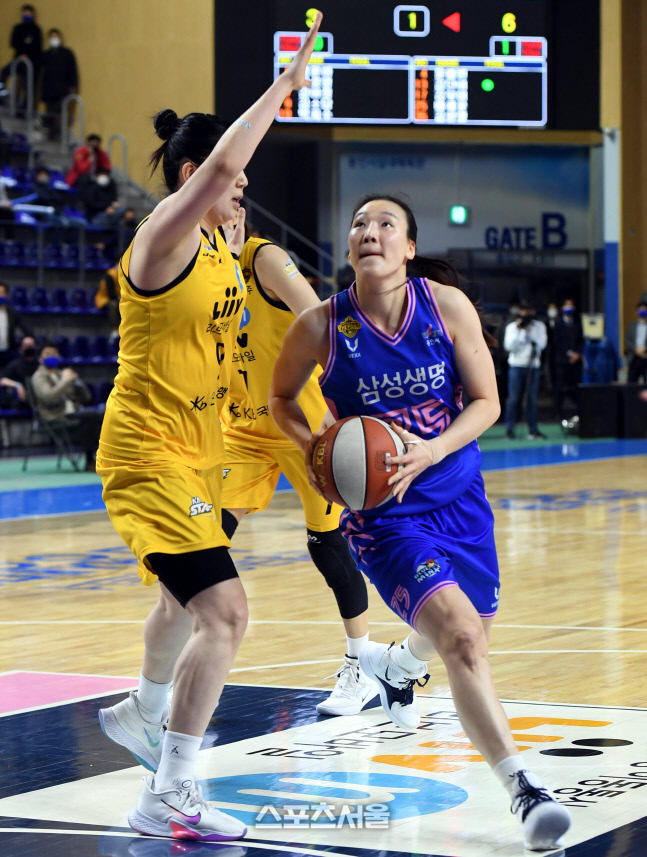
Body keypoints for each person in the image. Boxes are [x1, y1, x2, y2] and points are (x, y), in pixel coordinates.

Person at [269, 194, 571, 852]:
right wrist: (314, 445)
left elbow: (487, 402)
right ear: (349, 245)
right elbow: (280, 398)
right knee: (463, 639)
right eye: (358, 223)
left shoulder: (446, 306)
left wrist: (434, 449)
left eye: (386, 224)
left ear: (408, 248)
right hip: (384, 517)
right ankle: (524, 789)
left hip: (459, 496)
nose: (368, 231)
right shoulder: (321, 326)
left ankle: (398, 666)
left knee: (470, 631)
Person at [94, 13, 322, 842]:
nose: (241, 191)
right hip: (148, 451)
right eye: (231, 182)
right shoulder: (161, 237)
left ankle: (142, 708)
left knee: (182, 600)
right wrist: (283, 86)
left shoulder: (224, 245)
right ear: (196, 176)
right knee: (224, 612)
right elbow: (225, 163)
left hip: (202, 452)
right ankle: (168, 791)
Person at [221, 229, 377, 717]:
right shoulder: (197, 266)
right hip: (242, 428)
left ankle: (361, 667)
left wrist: (340, 405)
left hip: (305, 427)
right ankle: (177, 677)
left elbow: (322, 323)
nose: (238, 207)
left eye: (240, 196)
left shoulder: (262, 258)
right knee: (202, 545)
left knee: (326, 546)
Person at [31, 343, 103, 470]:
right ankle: (90, 460)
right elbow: (49, 398)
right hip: (56, 416)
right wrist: (65, 381)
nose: (51, 356)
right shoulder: (38, 377)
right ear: (40, 359)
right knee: (92, 417)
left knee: (99, 417)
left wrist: (77, 382)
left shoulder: (63, 373)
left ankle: (98, 458)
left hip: (75, 413)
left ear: (59, 357)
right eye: (47, 354)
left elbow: (87, 398)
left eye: (54, 354)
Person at [503, 301, 547, 439]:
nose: (526, 313)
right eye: (523, 310)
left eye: (529, 310)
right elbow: (509, 347)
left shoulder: (539, 326)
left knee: (531, 399)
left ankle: (533, 429)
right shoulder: (512, 327)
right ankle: (509, 429)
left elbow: (542, 345)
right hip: (516, 366)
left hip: (533, 366)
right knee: (514, 399)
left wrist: (530, 332)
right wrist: (520, 331)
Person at [38, 27, 78, 140]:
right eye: (52, 37)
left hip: (62, 87)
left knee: (58, 109)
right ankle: (51, 133)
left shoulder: (67, 53)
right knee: (50, 111)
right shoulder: (46, 55)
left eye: (56, 36)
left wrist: (73, 85)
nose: (54, 39)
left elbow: (72, 69)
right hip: (49, 89)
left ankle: (52, 127)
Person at [0, 5, 42, 104]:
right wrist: (25, 45)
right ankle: (1, 95)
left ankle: (26, 105)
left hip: (30, 61)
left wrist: (27, 51)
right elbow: (13, 42)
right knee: (4, 71)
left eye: (29, 13)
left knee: (28, 83)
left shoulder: (36, 29)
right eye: (25, 13)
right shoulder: (18, 28)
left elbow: (37, 46)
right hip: (18, 59)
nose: (27, 15)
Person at [552, 298, 584, 420]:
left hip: (576, 361)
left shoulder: (577, 324)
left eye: (571, 306)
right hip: (562, 361)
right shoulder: (558, 324)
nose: (569, 309)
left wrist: (577, 354)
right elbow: (557, 342)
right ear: (562, 308)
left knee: (576, 387)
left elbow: (581, 341)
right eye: (567, 306)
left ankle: (578, 412)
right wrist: (569, 353)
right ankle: (557, 412)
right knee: (559, 387)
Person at [0, 282, 33, 368]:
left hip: (8, 351)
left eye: (1, 293)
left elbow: (26, 328)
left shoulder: (13, 313)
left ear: (6, 295)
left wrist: (27, 338)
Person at [1, 333, 38, 406]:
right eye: (26, 346)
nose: (29, 348)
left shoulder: (40, 364)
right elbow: (2, 380)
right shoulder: (15, 364)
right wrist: (18, 385)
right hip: (21, 399)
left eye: (31, 345)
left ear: (36, 347)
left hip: (38, 398)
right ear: (21, 349)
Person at [94, 265, 121, 337]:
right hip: (104, 299)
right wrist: (119, 297)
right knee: (113, 305)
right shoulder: (110, 275)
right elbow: (110, 293)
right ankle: (114, 329)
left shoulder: (124, 275)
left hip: (117, 298)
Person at [625, 300, 647, 383]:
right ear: (637, 312)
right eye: (641, 310)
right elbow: (627, 340)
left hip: (645, 356)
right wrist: (636, 349)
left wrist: (644, 349)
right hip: (634, 357)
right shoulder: (631, 326)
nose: (643, 312)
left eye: (644, 310)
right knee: (631, 383)